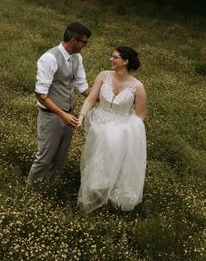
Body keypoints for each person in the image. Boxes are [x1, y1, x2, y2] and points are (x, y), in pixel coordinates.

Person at [77, 45, 146, 212]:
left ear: (125, 61)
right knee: (95, 160)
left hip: (120, 128)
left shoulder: (137, 87)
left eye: (115, 57)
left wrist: (128, 131)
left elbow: (140, 115)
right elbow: (90, 99)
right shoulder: (103, 76)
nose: (111, 59)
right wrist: (81, 117)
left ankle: (106, 198)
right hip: (98, 124)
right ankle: (92, 196)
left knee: (111, 159)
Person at [27, 22, 92, 183]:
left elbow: (82, 86)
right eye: (84, 42)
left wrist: (104, 97)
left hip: (68, 115)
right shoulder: (49, 58)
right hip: (51, 116)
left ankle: (49, 187)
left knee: (60, 156)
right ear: (73, 41)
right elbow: (40, 93)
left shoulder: (77, 57)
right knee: (44, 156)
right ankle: (30, 188)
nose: (86, 45)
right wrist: (62, 114)